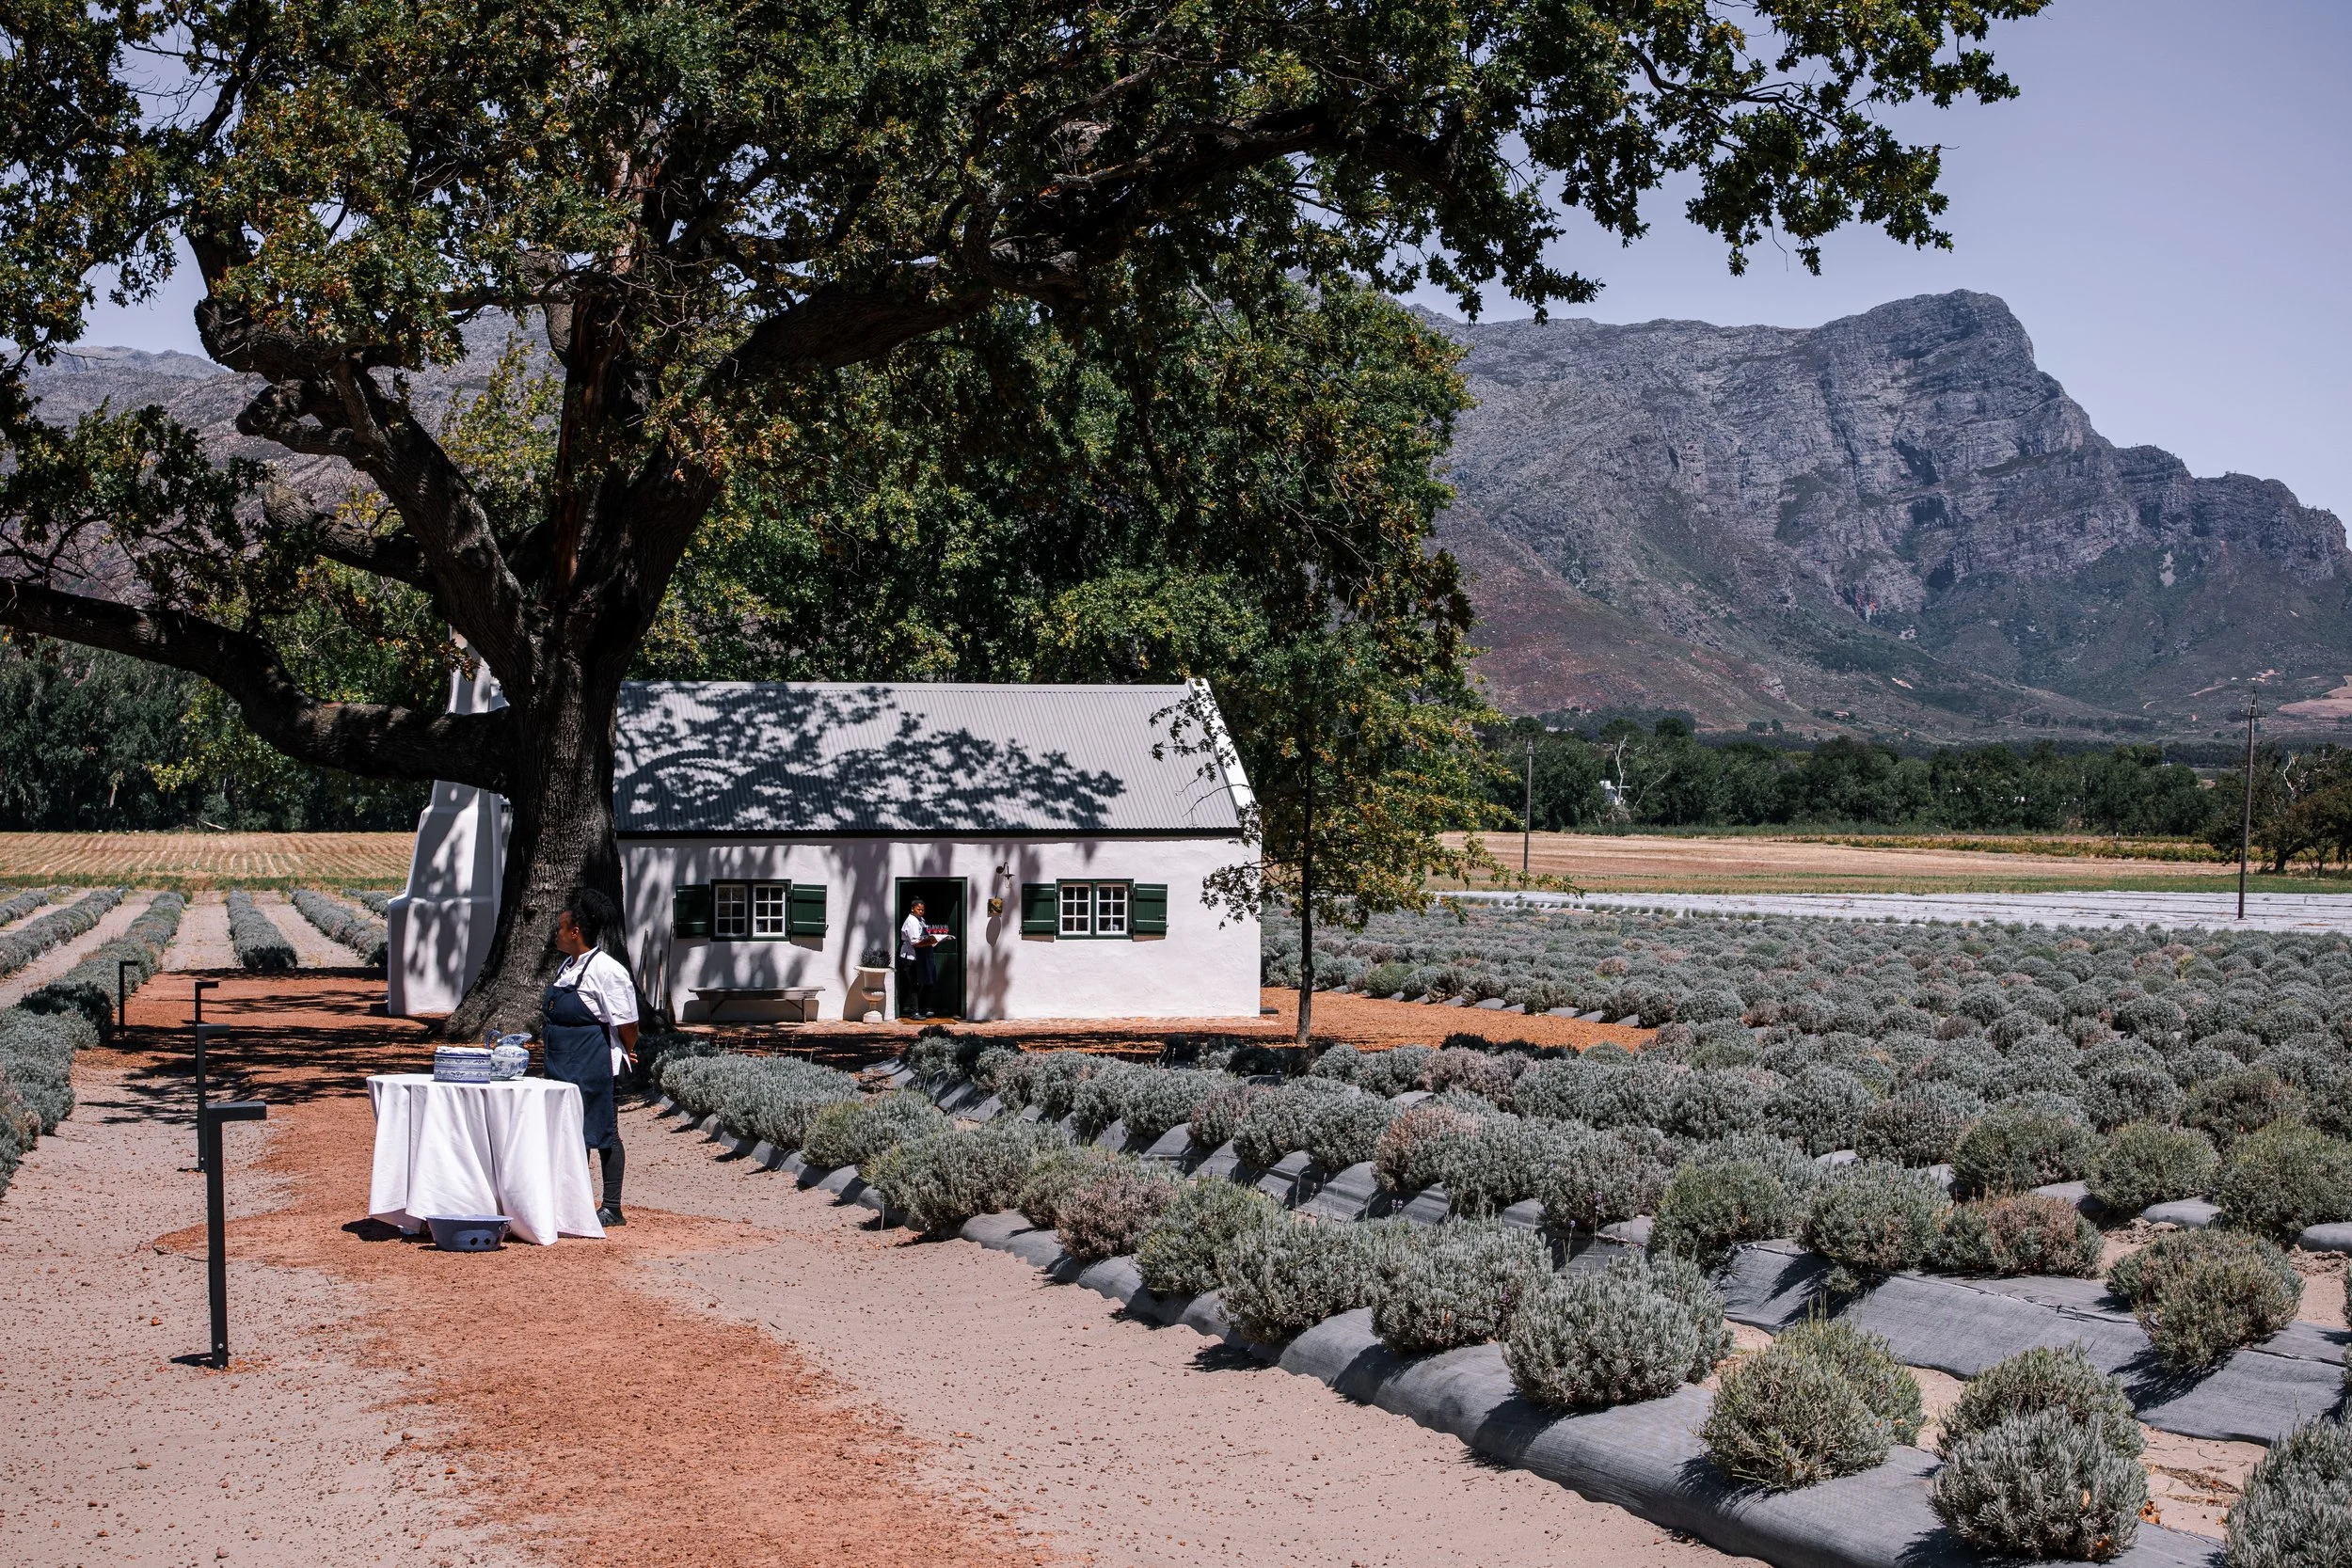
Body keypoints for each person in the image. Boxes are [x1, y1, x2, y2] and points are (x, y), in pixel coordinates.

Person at [544, 888, 638, 1227]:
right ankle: (574, 1201)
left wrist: (628, 1049)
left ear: (575, 932)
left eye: (560, 927)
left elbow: (627, 1022)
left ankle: (612, 1207)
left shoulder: (607, 970)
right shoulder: (566, 967)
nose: (555, 933)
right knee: (569, 1133)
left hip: (594, 1065)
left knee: (603, 1133)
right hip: (562, 1065)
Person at [898, 898, 938, 1020]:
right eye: (918, 909)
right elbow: (915, 941)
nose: (921, 911)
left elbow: (925, 935)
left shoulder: (922, 921)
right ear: (912, 909)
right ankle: (914, 1012)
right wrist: (930, 941)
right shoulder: (911, 921)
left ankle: (922, 1009)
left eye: (922, 909)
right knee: (914, 984)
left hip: (921, 957)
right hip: (911, 958)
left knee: (927, 982)